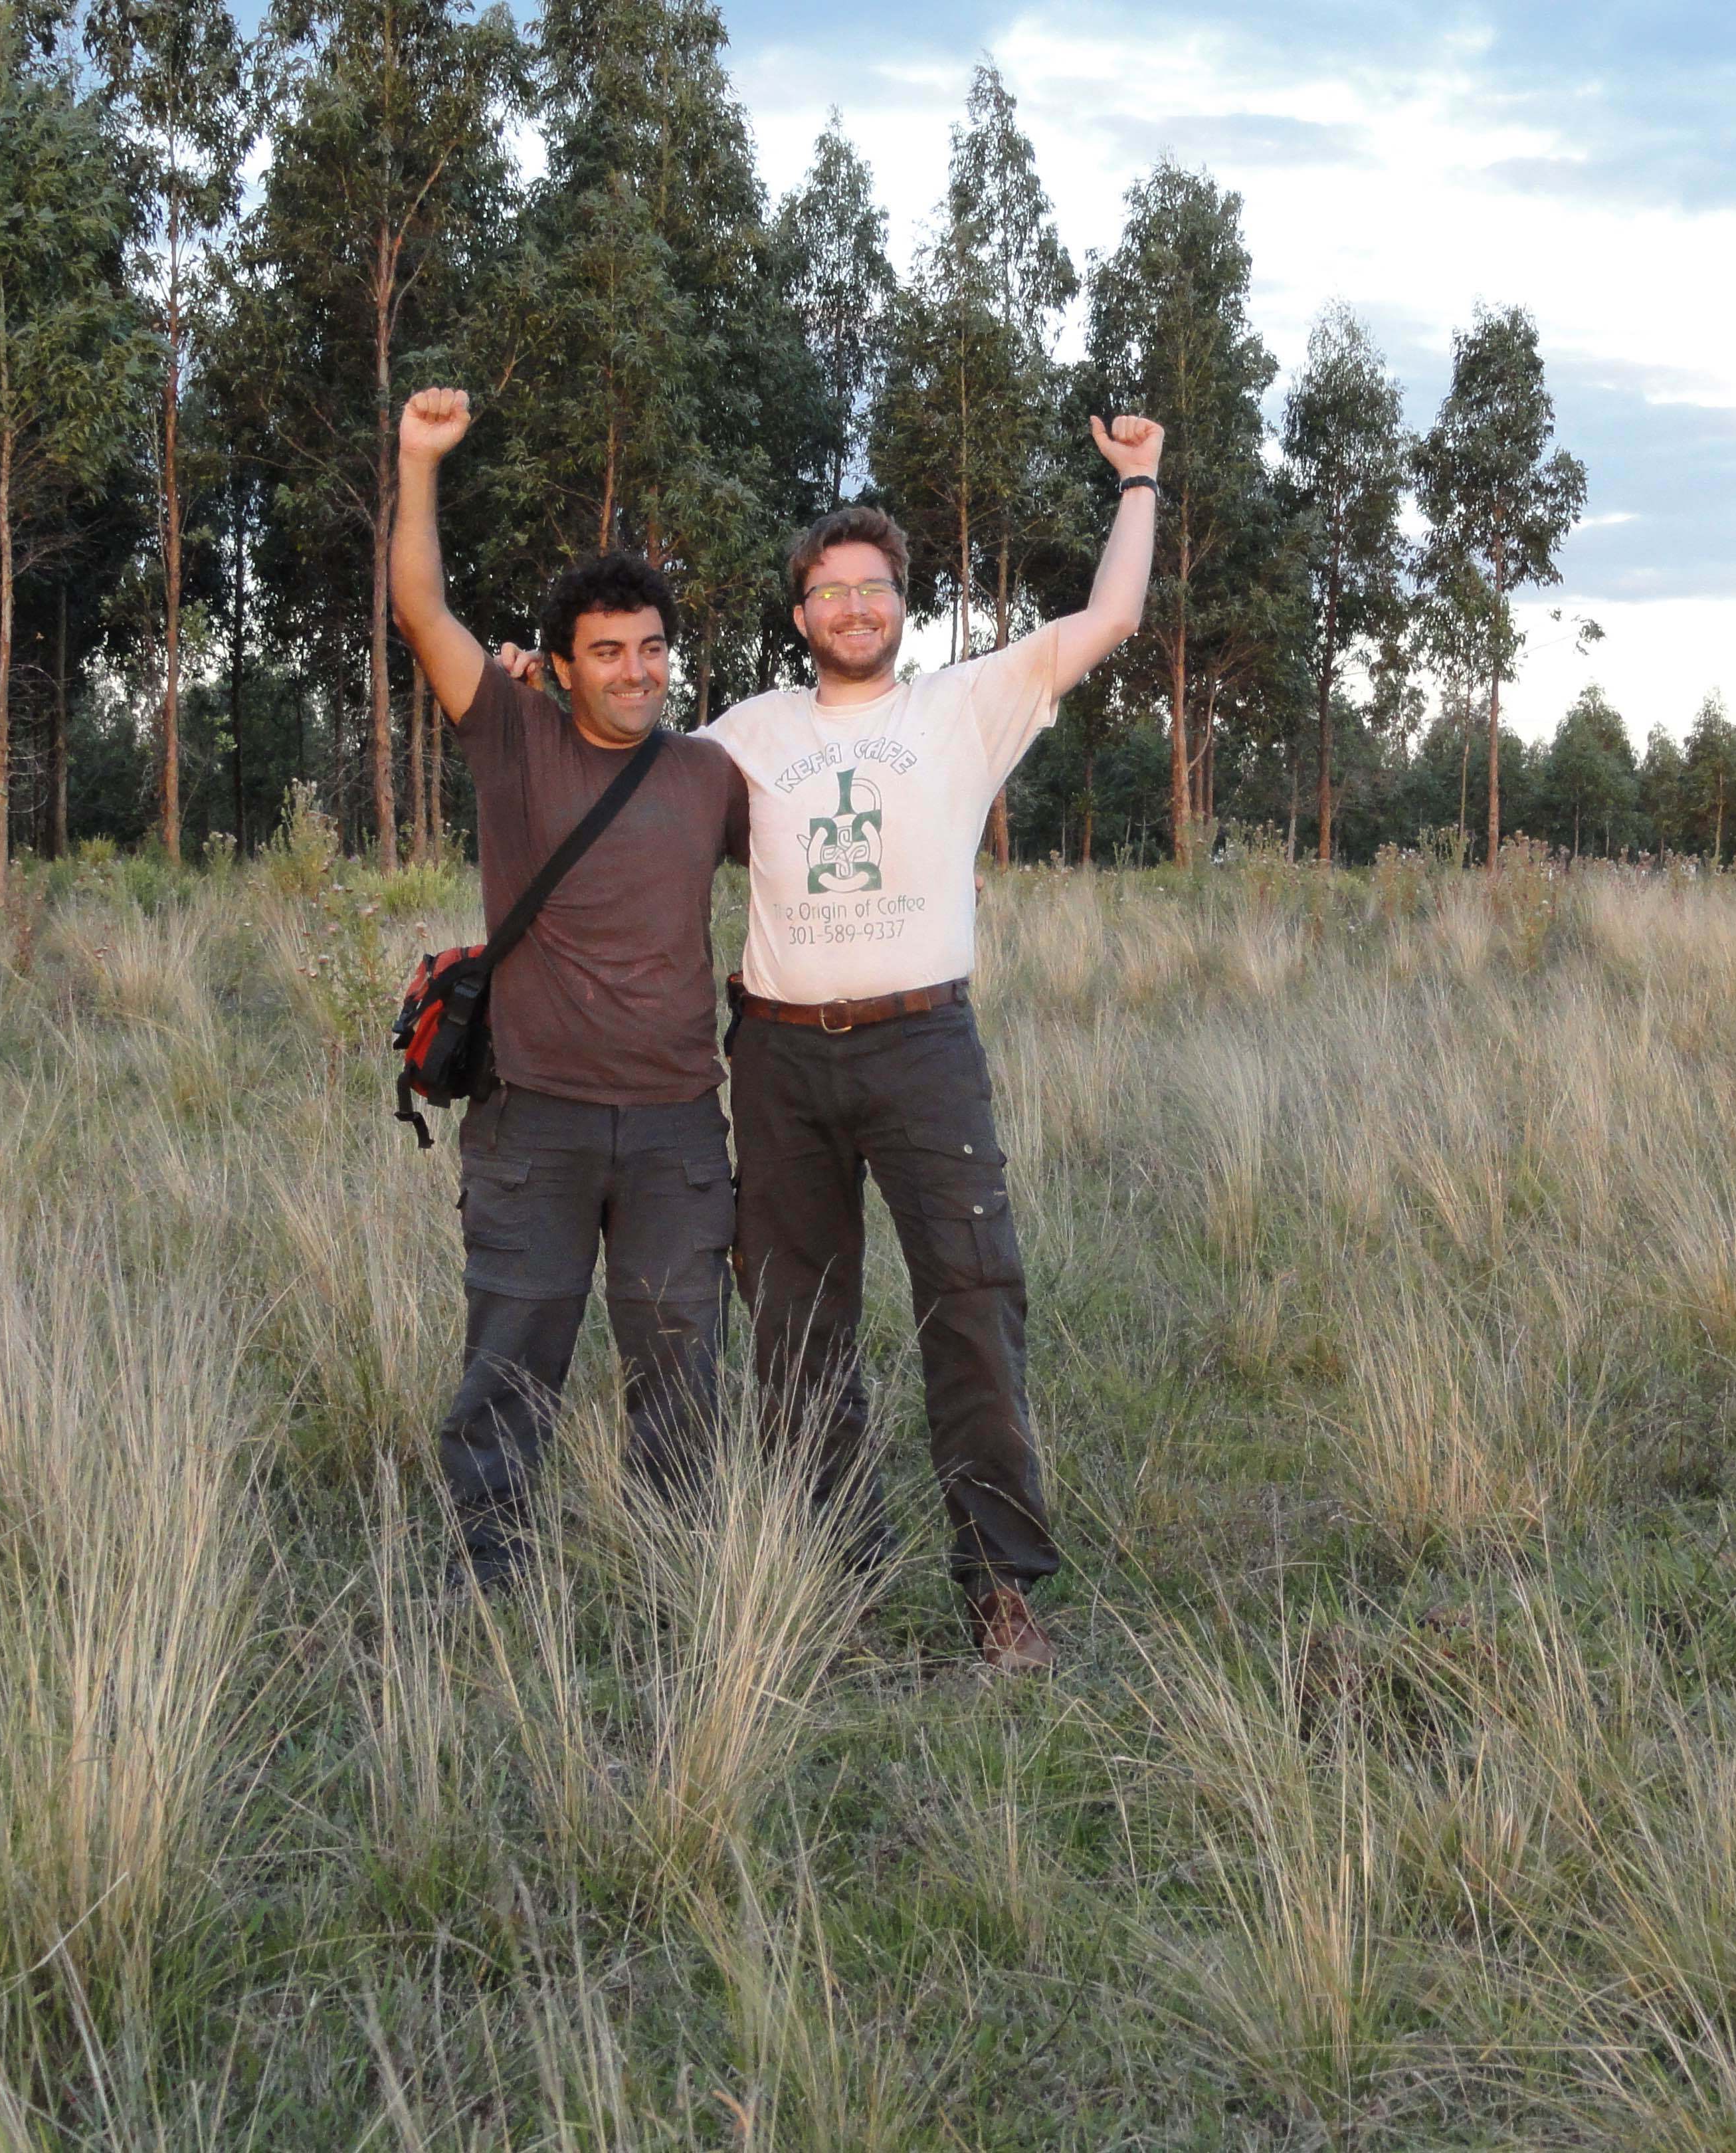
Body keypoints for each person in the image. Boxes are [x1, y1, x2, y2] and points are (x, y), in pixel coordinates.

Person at [712, 414, 1163, 1671]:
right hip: (780, 1058)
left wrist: (1137, 478)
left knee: (971, 1301)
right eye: (829, 590)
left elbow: (1113, 616)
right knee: (796, 1321)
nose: (853, 606)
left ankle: (1001, 1590)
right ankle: (830, 1578)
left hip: (923, 1051)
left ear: (902, 605)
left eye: (875, 587)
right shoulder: (747, 733)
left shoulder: (969, 704)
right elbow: (627, 793)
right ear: (800, 614)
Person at [389, 385, 749, 1586]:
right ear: (557, 666)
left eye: (652, 648)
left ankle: (675, 1571)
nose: (637, 671)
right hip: (532, 1124)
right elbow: (418, 606)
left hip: (676, 1132)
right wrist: (420, 460)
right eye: (608, 652)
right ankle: (486, 1571)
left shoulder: (709, 773)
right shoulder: (513, 741)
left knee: (682, 1363)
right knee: (512, 1354)